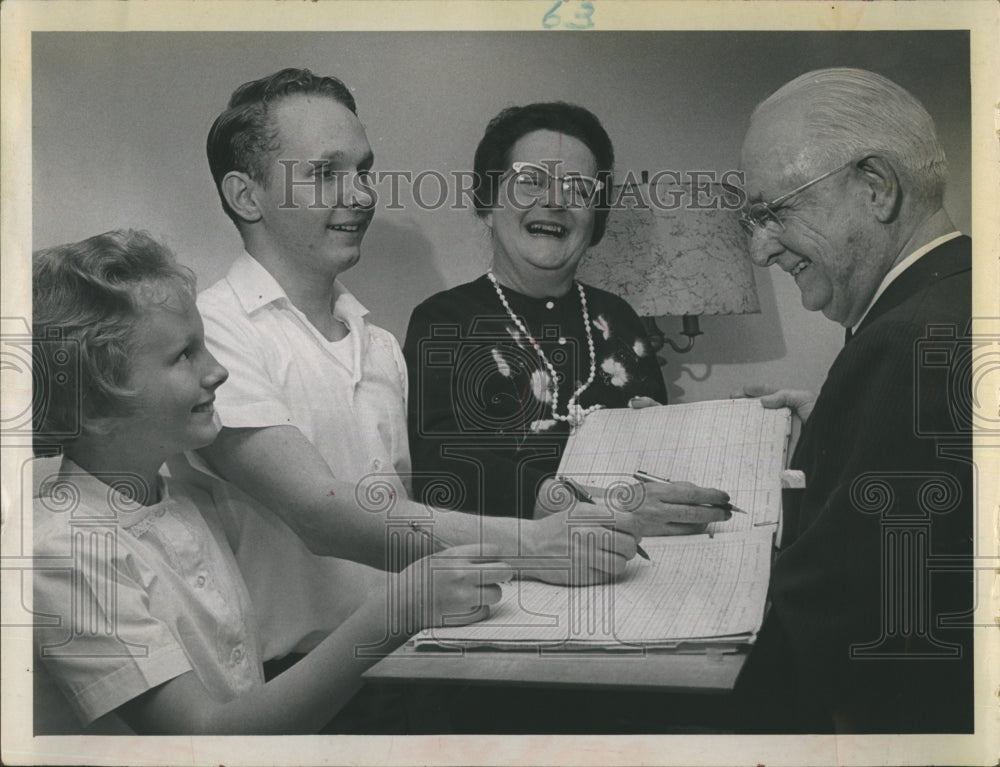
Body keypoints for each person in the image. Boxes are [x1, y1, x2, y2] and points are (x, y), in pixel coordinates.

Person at [193, 70, 648, 679]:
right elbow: (321, 514)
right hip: (298, 684)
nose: (359, 196)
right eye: (326, 173)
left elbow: (416, 510)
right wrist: (537, 544)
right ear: (247, 196)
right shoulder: (214, 333)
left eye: (363, 171)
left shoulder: (378, 344)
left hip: (412, 662)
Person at [30, 229, 507, 735]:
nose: (218, 371)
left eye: (206, 346)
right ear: (94, 405)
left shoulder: (187, 501)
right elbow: (205, 738)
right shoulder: (66, 553)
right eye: (183, 355)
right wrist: (397, 611)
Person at [735, 68, 972, 733]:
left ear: (876, 187)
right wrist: (837, 434)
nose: (760, 247)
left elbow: (846, 630)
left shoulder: (907, 342)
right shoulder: (960, 297)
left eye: (776, 210)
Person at [404, 101, 730, 529]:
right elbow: (439, 470)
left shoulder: (621, 319)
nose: (555, 201)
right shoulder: (443, 320)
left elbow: (655, 479)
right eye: (531, 182)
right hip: (509, 571)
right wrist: (590, 506)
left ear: (595, 218)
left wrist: (661, 439)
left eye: (578, 189)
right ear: (486, 202)